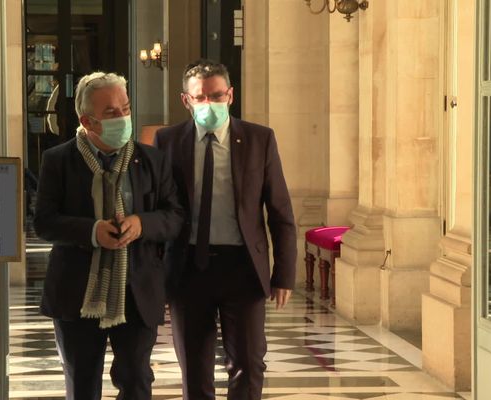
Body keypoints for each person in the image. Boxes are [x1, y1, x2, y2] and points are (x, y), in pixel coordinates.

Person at [34, 71, 184, 400]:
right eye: (112, 113)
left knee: (136, 381)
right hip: (77, 292)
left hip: (138, 289)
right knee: (83, 383)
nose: (123, 118)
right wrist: (91, 232)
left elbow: (174, 217)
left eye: (126, 108)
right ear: (88, 121)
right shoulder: (58, 160)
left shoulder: (152, 160)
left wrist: (142, 224)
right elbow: (43, 221)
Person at [155, 60, 297, 400]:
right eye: (200, 97)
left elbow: (280, 210)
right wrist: (154, 278)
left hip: (242, 268)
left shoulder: (259, 139)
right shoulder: (167, 141)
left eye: (217, 95)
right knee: (194, 367)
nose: (209, 104)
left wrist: (284, 275)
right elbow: (158, 211)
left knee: (248, 364)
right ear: (186, 101)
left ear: (230, 95)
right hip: (187, 268)